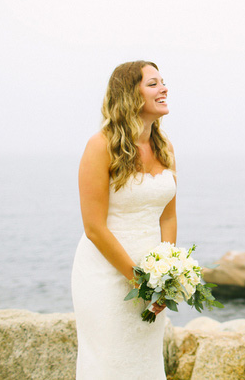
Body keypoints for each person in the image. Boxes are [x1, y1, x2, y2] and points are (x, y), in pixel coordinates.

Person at [71, 60, 177, 379]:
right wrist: (139, 282)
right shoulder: (100, 146)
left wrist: (166, 274)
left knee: (143, 363)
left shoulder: (165, 146)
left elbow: (168, 217)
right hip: (106, 274)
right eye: (153, 83)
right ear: (131, 94)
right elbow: (93, 227)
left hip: (151, 273)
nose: (164, 88)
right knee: (110, 363)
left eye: (163, 81)